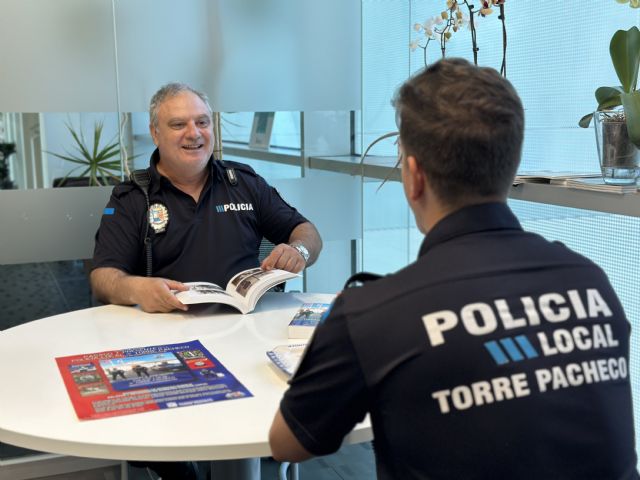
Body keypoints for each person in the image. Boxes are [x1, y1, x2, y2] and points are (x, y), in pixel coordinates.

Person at [268, 58, 639, 479]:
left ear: (414, 176)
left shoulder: (374, 315)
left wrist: (343, 337)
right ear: (510, 164)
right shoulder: (589, 282)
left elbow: (287, 443)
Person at [91, 82, 322, 313]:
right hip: (170, 330)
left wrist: (299, 251)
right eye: (178, 124)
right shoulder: (133, 197)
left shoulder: (243, 182)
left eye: (202, 122)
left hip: (248, 324)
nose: (194, 133)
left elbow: (306, 231)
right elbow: (103, 278)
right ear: (155, 133)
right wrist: (137, 288)